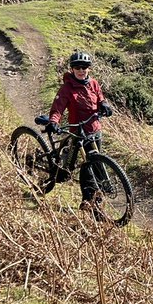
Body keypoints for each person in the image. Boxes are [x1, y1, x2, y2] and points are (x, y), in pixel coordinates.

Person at [46, 50, 114, 220]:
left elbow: (99, 96)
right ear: (72, 68)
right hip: (78, 131)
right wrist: (54, 121)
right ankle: (89, 202)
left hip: (94, 129)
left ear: (89, 68)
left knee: (96, 164)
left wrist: (104, 104)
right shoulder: (67, 88)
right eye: (77, 67)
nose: (81, 70)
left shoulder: (93, 83)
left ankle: (93, 204)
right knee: (77, 168)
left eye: (84, 67)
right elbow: (58, 107)